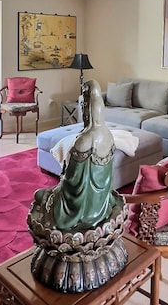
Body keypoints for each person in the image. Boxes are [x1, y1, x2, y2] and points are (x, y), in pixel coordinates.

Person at [35, 79, 116, 232]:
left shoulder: (83, 141)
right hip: (103, 205)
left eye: (84, 107)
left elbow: (71, 184)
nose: (82, 111)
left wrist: (56, 189)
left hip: (77, 210)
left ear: (91, 108)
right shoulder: (109, 136)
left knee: (40, 195)